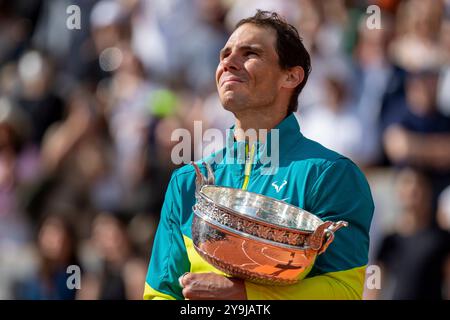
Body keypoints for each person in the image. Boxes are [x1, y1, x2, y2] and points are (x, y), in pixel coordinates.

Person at [144, 10, 374, 300]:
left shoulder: (331, 174)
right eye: (224, 55)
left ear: (290, 76)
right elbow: (160, 293)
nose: (228, 62)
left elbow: (343, 291)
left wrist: (243, 296)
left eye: (249, 53)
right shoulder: (186, 181)